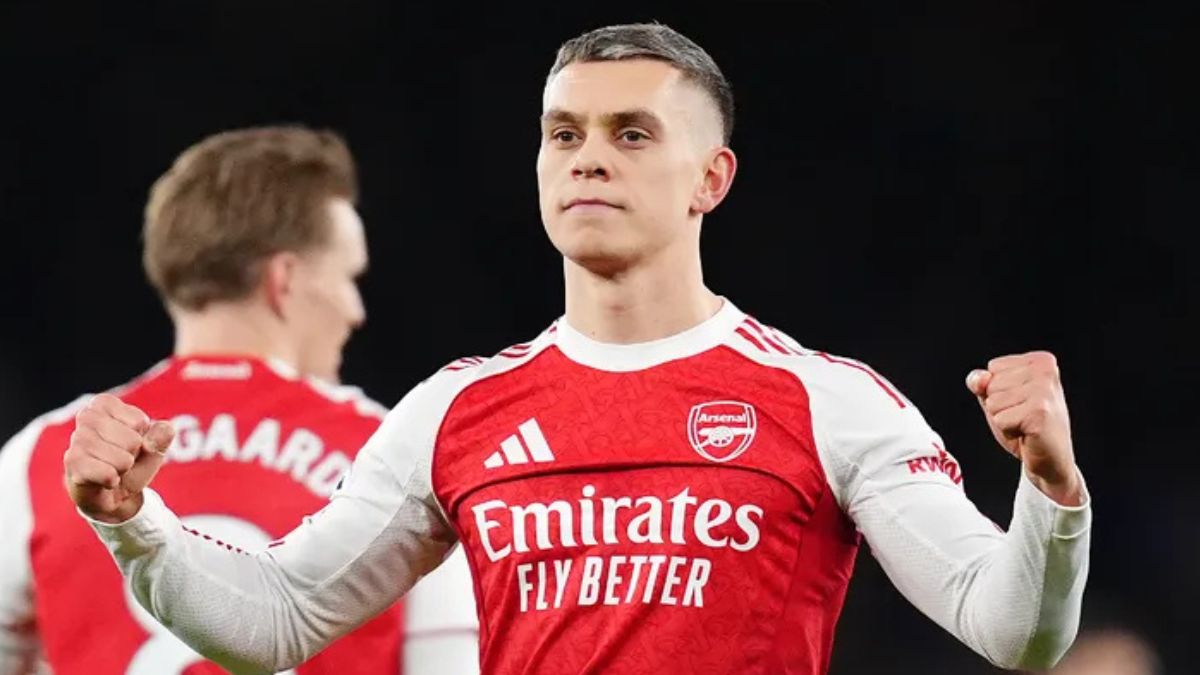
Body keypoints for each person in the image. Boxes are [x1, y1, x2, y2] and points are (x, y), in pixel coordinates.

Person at [62, 24, 1091, 675]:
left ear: (711, 178)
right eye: (565, 134)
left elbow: (1014, 632)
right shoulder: (456, 411)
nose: (589, 158)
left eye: (632, 134)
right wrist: (135, 524)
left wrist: (1050, 489)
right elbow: (278, 620)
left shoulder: (828, 401)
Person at [0, 126, 477, 675]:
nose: (356, 311)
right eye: (349, 278)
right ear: (284, 279)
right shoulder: (400, 455)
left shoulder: (44, 459)